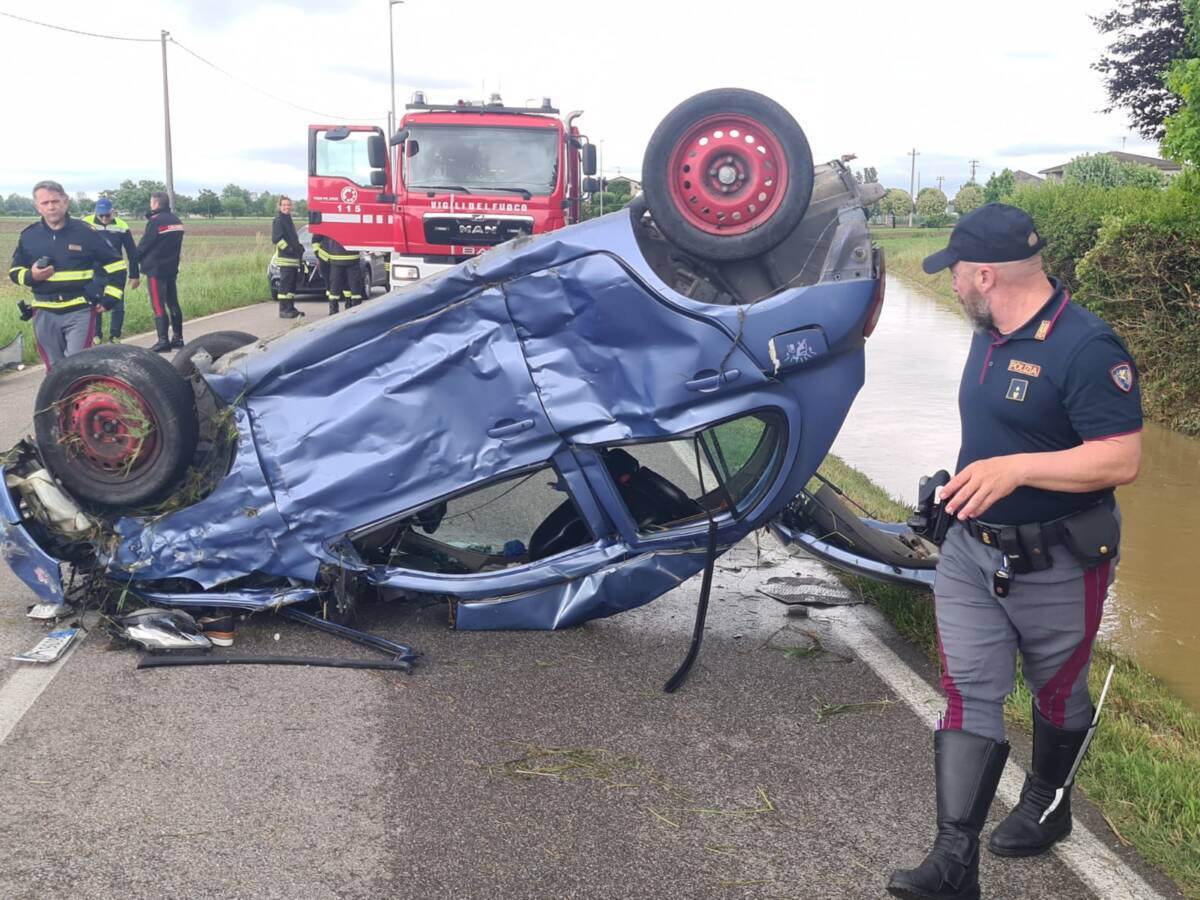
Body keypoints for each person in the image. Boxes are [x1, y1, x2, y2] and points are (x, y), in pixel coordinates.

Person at [886, 203, 1142, 900]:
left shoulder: (1088, 348)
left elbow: (1120, 460)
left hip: (1058, 559)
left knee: (1056, 693)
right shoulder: (988, 333)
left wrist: (1021, 469)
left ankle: (1047, 804)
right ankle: (952, 861)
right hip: (972, 551)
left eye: (957, 274)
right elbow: (999, 429)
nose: (952, 286)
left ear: (986, 274)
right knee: (971, 688)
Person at [8, 180, 124, 369]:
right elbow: (14, 272)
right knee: (54, 370)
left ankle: (80, 398)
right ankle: (58, 400)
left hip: (80, 310)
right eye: (45, 203)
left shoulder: (86, 233)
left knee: (77, 366)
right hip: (43, 311)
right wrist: (31, 276)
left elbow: (116, 265)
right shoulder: (29, 236)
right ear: (37, 207)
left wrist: (111, 297)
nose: (51, 207)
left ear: (65, 202)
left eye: (55, 201)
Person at [82, 197, 140, 342]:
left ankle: (115, 336)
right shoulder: (85, 223)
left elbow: (132, 252)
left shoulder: (122, 226)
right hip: (93, 272)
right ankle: (96, 335)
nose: (103, 218)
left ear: (112, 212)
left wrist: (135, 275)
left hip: (115, 273)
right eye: (100, 215)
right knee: (94, 304)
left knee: (117, 305)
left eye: (107, 215)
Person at [137, 191, 186, 352]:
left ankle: (163, 341)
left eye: (151, 202)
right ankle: (178, 338)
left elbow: (145, 245)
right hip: (171, 268)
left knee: (158, 305)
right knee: (173, 303)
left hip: (155, 270)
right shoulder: (176, 220)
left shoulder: (156, 221)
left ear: (157, 204)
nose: (150, 205)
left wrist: (133, 259)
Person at [271, 196, 305, 319]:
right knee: (285, 286)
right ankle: (283, 309)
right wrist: (289, 249)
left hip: (293, 259)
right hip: (286, 259)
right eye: (284, 205)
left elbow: (292, 237)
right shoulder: (279, 220)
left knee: (291, 286)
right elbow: (277, 239)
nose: (287, 207)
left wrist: (299, 247)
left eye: (288, 205)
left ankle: (290, 308)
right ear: (280, 206)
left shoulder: (288, 219)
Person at [315, 233, 364, 315]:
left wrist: (320, 255)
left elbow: (317, 239)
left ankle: (333, 310)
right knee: (355, 287)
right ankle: (356, 309)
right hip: (352, 259)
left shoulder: (331, 223)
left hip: (335, 259)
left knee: (334, 287)